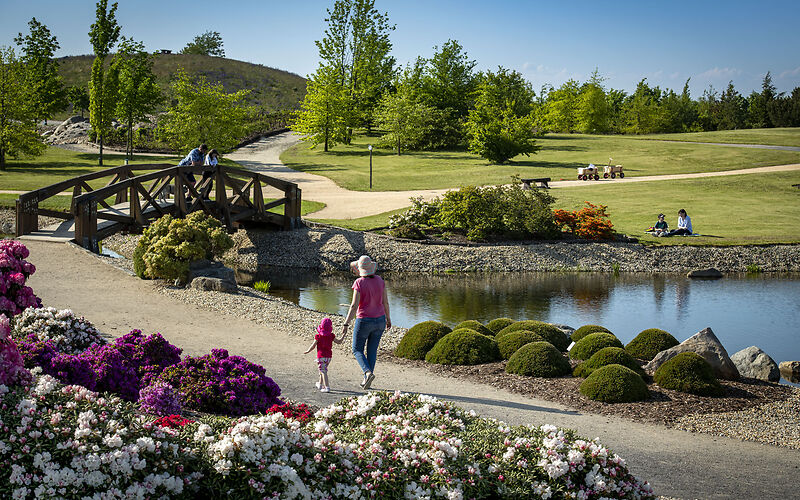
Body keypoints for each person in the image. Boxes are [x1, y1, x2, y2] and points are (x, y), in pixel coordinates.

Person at [342, 255, 391, 390]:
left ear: (360, 269)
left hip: (364, 320)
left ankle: (367, 373)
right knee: (372, 351)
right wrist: (388, 319)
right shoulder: (380, 281)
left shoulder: (359, 283)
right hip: (380, 320)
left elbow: (353, 306)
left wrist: (346, 323)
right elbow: (385, 302)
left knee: (357, 349)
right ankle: (367, 379)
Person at [303, 317, 344, 393]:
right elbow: (339, 342)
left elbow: (313, 345)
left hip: (321, 356)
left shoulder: (318, 336)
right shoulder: (331, 336)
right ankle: (320, 384)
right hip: (328, 357)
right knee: (322, 370)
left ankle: (327, 387)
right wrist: (343, 335)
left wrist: (308, 351)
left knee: (323, 371)